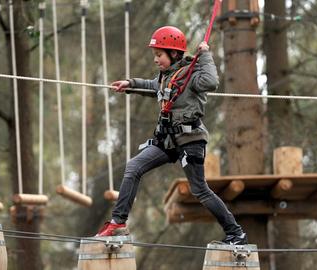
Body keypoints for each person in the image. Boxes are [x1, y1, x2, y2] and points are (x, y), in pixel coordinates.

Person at [96, 26, 247, 245]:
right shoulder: (168, 76)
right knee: (133, 167)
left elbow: (211, 82)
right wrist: (130, 84)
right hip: (167, 141)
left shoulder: (192, 75)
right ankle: (118, 224)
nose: (156, 60)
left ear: (174, 54)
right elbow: (153, 86)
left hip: (190, 140)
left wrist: (205, 55)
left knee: (200, 190)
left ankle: (236, 233)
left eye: (159, 55)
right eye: (155, 55)